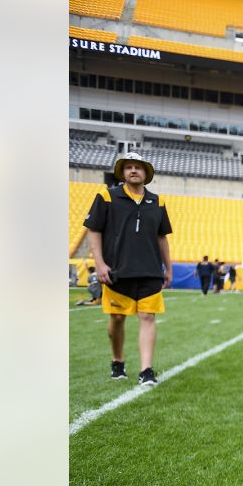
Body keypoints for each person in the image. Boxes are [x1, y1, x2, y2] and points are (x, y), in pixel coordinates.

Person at [83, 151, 173, 386]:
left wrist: (168, 268)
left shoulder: (158, 201)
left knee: (147, 316)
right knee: (117, 318)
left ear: (146, 173)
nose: (133, 170)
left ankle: (146, 370)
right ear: (122, 173)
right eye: (129, 167)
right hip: (116, 271)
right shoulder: (106, 197)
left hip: (150, 270)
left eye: (138, 167)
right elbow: (94, 229)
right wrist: (100, 263)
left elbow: (162, 237)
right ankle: (118, 361)